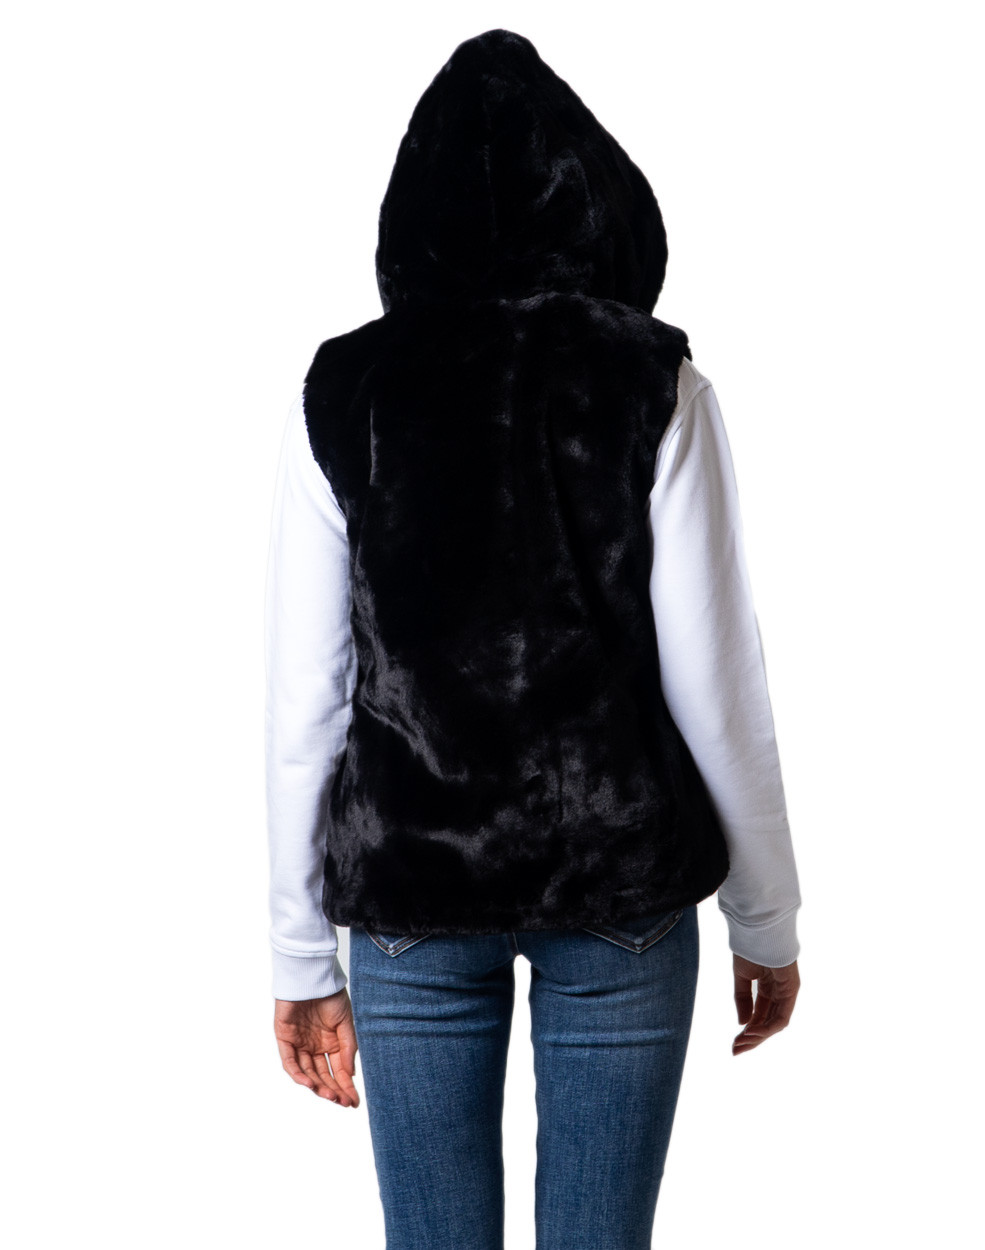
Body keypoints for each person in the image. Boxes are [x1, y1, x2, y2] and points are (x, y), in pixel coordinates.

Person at [264, 27, 802, 1250]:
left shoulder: (343, 392)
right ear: (599, 199)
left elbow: (308, 698)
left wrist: (300, 954)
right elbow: (719, 685)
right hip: (620, 891)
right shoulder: (654, 381)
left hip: (410, 891)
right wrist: (766, 919)